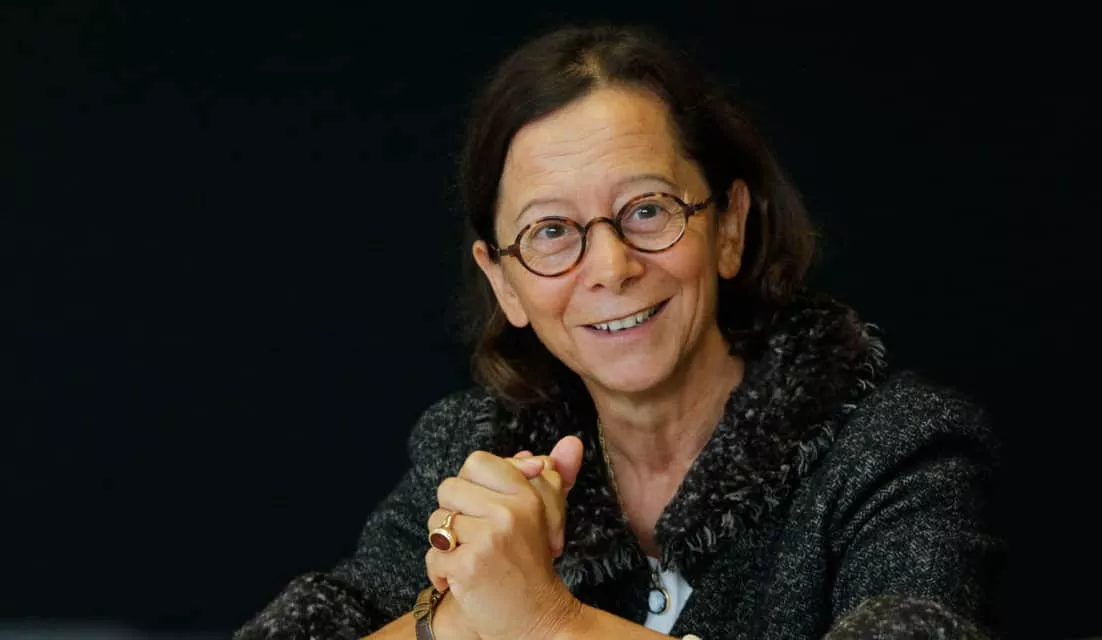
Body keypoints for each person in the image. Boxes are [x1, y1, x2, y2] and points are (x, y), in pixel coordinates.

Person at [235, 23, 1004, 640]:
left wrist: (547, 622)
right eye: (551, 231)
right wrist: (452, 624)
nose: (610, 267)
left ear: (729, 228)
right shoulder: (475, 450)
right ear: (504, 281)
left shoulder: (897, 450)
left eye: (647, 210)